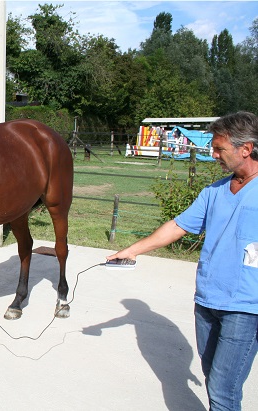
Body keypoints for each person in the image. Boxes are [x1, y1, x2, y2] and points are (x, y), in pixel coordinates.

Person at [107, 111, 258, 411]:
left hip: (245, 306)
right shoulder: (213, 192)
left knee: (223, 389)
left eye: (219, 149)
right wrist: (133, 250)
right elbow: (178, 226)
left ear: (246, 149)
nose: (213, 154)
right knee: (212, 375)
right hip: (206, 301)